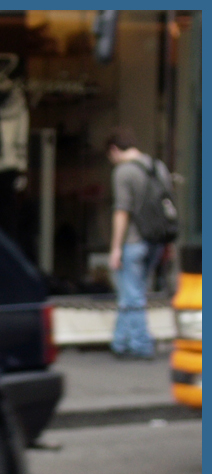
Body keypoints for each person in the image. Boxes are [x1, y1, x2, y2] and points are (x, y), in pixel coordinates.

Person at [105, 126, 168, 359]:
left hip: (133, 241)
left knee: (132, 295)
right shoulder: (157, 166)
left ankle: (141, 345)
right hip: (156, 239)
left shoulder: (123, 172)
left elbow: (121, 212)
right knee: (132, 291)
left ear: (114, 150)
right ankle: (120, 343)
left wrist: (115, 248)